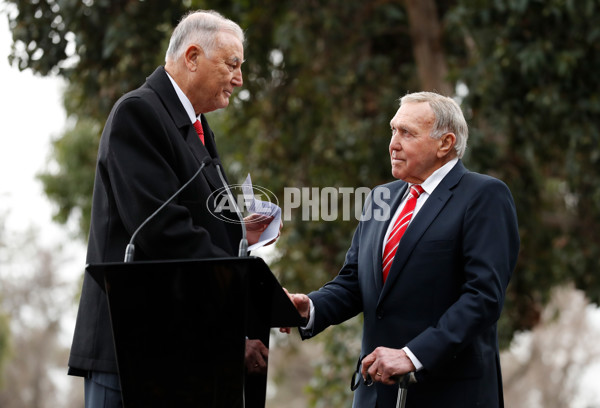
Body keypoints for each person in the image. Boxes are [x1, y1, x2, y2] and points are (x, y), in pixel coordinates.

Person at [68, 10, 276, 407]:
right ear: (192, 57)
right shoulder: (139, 113)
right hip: (130, 350)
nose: (240, 78)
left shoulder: (196, 126)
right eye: (232, 64)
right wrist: (244, 291)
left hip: (180, 353)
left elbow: (207, 227)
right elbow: (164, 232)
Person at [286, 92, 520, 407]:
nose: (393, 143)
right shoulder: (379, 197)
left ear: (445, 143)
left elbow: (483, 297)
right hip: (374, 396)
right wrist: (311, 308)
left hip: (451, 394)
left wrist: (413, 355)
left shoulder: (485, 196)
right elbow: (355, 282)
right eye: (393, 130)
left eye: (407, 133)